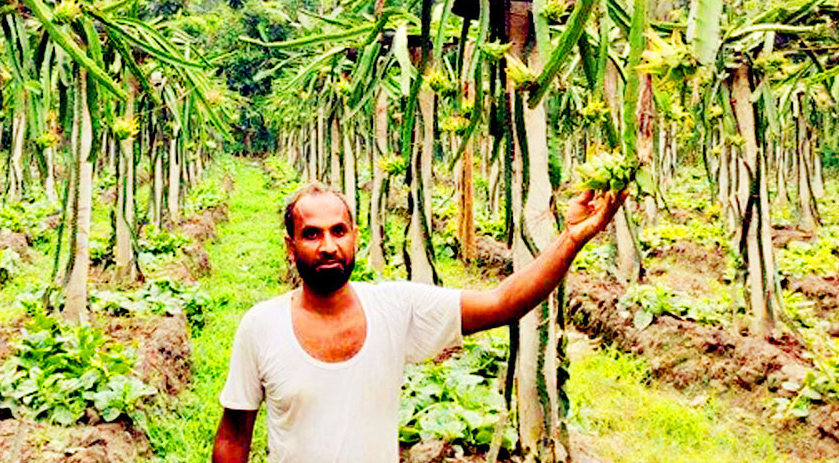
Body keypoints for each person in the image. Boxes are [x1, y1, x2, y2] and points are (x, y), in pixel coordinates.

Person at [211, 180, 626, 463]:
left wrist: (570, 239)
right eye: (312, 234)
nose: (328, 246)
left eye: (339, 231)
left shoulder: (395, 307)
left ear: (356, 236)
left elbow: (503, 303)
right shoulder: (261, 326)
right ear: (290, 245)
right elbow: (233, 436)